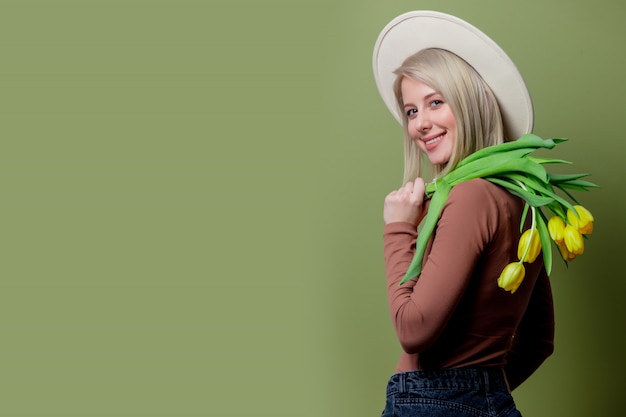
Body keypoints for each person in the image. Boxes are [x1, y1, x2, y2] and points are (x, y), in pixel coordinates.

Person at [372, 11, 555, 417]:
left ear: (471, 102)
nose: (420, 123)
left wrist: (399, 227)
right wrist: (482, 395)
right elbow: (540, 340)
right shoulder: (525, 201)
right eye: (411, 111)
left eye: (435, 102)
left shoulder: (469, 197)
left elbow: (413, 329)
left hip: (430, 403)